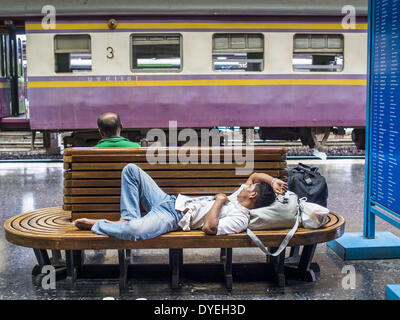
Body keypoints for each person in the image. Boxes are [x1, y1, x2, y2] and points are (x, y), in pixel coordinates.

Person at [74, 164, 288, 239]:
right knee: (131, 170)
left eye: (249, 188)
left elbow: (210, 228)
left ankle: (99, 225)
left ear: (252, 196)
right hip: (169, 200)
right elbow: (254, 175)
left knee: (136, 233)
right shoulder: (238, 195)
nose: (246, 184)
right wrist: (274, 180)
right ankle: (128, 218)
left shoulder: (240, 217)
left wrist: (219, 201)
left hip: (173, 217)